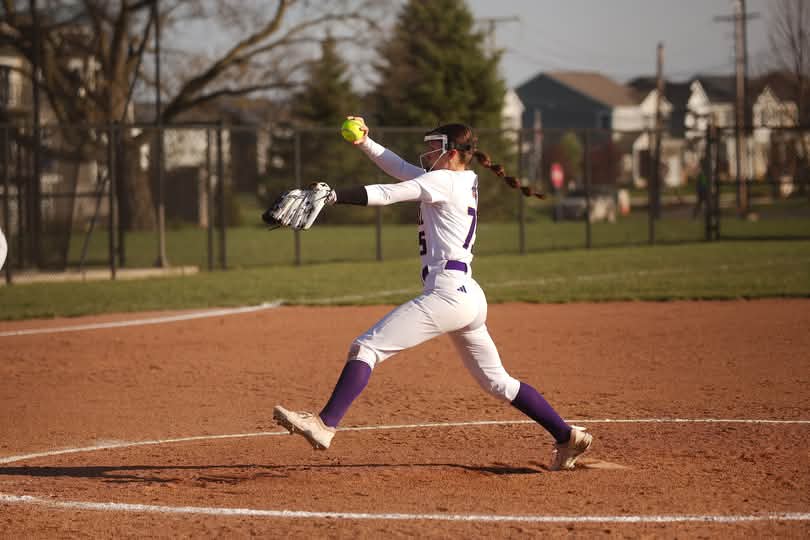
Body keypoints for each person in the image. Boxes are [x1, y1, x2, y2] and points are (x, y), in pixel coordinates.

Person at [273, 118, 593, 471]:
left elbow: (387, 192)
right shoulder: (460, 179)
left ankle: (324, 425)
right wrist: (365, 143)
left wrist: (334, 195)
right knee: (498, 382)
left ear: (452, 152)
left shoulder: (442, 180)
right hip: (467, 294)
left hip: (447, 295)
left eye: (433, 147)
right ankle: (567, 436)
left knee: (366, 348)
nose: (426, 153)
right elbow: (399, 169)